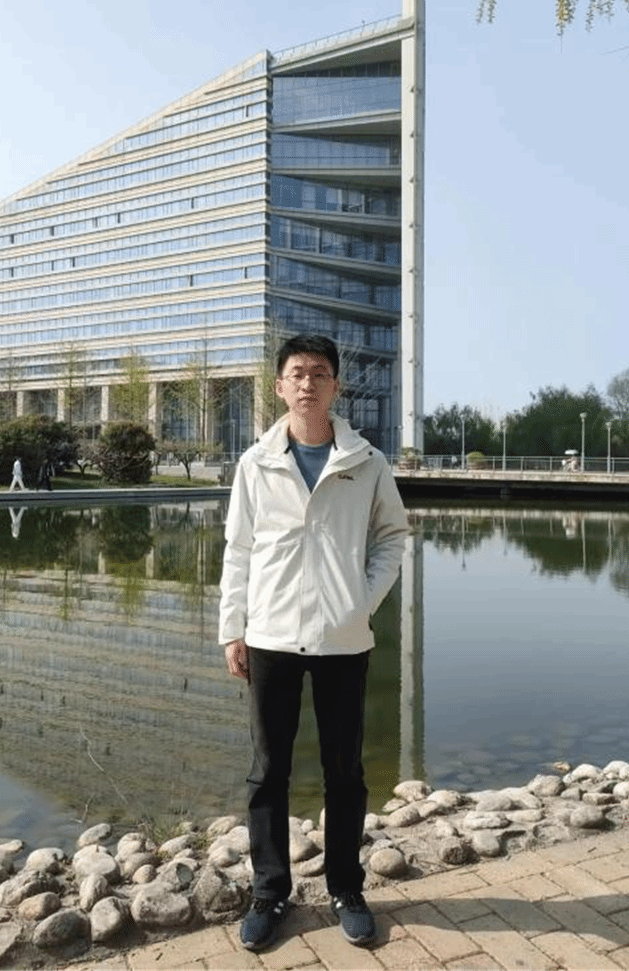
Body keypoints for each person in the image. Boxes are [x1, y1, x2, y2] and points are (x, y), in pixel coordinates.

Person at [219, 334, 409, 952]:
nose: (308, 383)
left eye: (319, 373)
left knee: (344, 771)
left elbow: (392, 537)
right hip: (270, 635)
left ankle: (347, 888)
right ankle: (269, 893)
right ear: (279, 387)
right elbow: (238, 551)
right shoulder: (256, 463)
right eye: (297, 373)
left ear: (335, 387)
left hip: (342, 638)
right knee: (268, 772)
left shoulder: (366, 461)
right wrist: (232, 629)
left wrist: (361, 600)